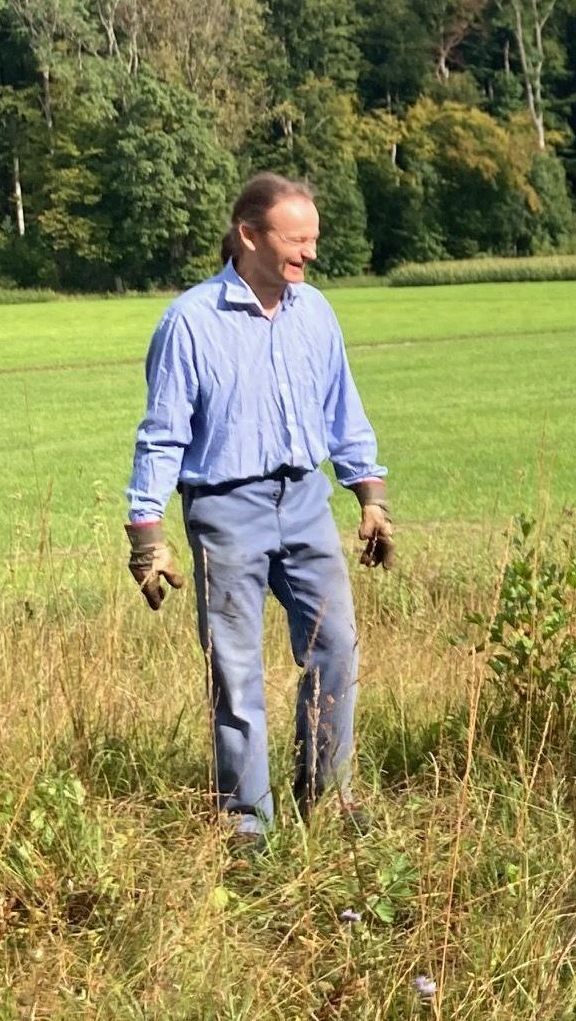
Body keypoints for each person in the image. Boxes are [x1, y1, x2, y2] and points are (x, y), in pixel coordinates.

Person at [124, 172, 395, 852]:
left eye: (313, 240)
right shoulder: (189, 322)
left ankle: (326, 797)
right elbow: (161, 436)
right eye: (296, 240)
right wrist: (146, 535)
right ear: (249, 235)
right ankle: (247, 821)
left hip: (304, 500)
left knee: (335, 648)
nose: (309, 255)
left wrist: (370, 497)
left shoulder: (317, 313)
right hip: (224, 509)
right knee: (235, 668)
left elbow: (344, 413)